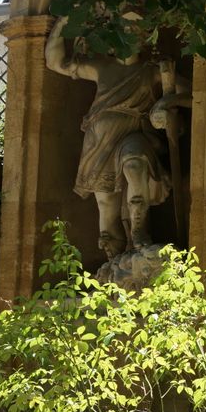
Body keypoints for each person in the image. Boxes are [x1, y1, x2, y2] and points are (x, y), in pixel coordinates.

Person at [45, 17, 188, 259]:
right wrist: (60, 26)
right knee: (106, 206)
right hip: (98, 144)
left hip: (135, 133)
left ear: (144, 38)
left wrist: (167, 100)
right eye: (123, 30)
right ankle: (114, 262)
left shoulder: (151, 71)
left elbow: (195, 95)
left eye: (135, 30)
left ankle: (140, 233)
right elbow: (55, 63)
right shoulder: (101, 67)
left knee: (135, 163)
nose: (129, 35)